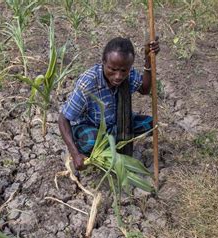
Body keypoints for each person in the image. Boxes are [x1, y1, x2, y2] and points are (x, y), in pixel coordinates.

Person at [58, 37, 160, 171]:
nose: (118, 76)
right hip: (90, 127)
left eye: (123, 70)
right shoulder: (88, 83)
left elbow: (145, 89)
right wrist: (74, 153)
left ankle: (115, 143)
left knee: (152, 125)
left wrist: (148, 59)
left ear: (129, 67)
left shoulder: (128, 74)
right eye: (112, 69)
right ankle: (90, 150)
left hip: (116, 124)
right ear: (103, 62)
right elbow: (63, 118)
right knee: (91, 140)